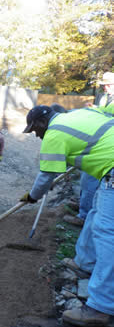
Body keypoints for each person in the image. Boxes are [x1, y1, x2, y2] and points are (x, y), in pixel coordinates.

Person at [21, 105, 114, 326]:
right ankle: (85, 263)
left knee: (107, 234)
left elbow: (46, 177)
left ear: (42, 122)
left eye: (35, 130)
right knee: (95, 215)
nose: (36, 135)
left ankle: (101, 307)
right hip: (108, 170)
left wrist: (32, 197)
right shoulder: (77, 114)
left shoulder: (54, 133)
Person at [50, 104, 99, 227]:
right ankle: (85, 204)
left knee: (89, 183)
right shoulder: (74, 116)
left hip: (101, 152)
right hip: (97, 147)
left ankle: (84, 216)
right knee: (87, 181)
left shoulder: (67, 124)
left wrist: (49, 179)